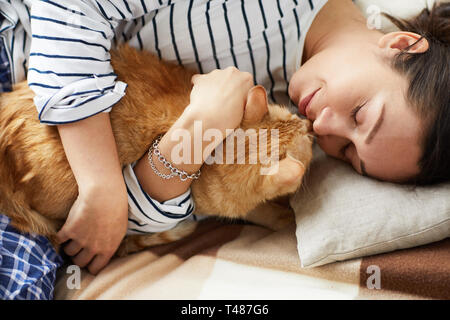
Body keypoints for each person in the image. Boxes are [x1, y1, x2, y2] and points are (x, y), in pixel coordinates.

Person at [0, 0, 448, 299]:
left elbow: (114, 224)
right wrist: (101, 183)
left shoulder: (288, 124)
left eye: (349, 154)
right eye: (362, 113)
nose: (326, 129)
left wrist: (195, 132)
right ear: (401, 45)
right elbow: (67, 8)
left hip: (29, 167)